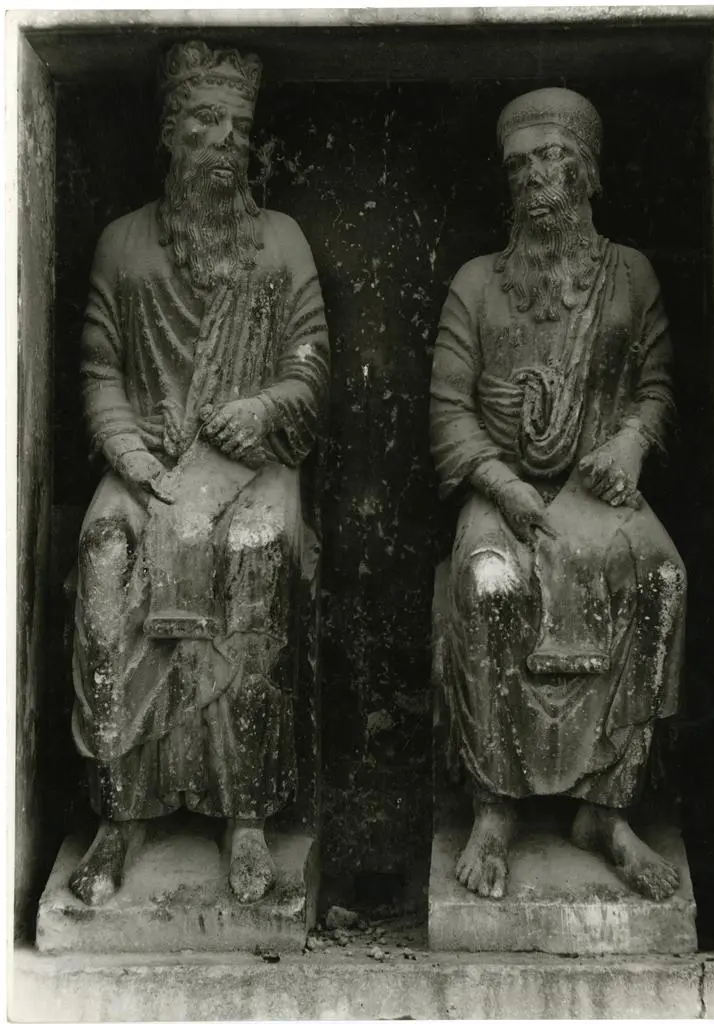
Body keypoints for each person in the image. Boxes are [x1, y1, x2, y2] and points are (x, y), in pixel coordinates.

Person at [69, 41, 329, 906]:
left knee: (254, 553)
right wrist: (134, 459)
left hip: (253, 466)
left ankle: (245, 814)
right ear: (170, 131)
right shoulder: (122, 244)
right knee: (106, 553)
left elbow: (310, 371)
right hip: (147, 463)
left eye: (239, 127)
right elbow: (99, 371)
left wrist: (261, 412)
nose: (225, 141)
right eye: (207, 121)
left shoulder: (281, 243)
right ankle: (120, 811)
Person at [430, 87, 686, 901]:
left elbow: (658, 387)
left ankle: (607, 811)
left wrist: (631, 443)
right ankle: (493, 808)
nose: (535, 178)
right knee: (487, 585)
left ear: (586, 171)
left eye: (551, 160)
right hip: (505, 492)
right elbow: (448, 412)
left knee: (660, 579)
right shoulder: (477, 283)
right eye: (519, 166)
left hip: (602, 494)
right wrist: (503, 485)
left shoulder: (631, 275)